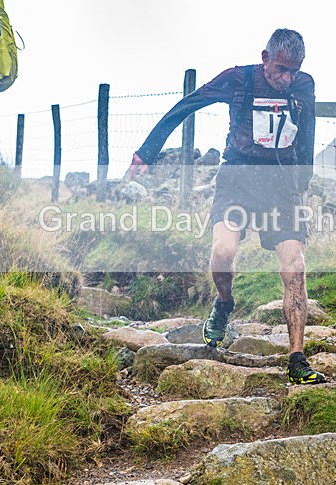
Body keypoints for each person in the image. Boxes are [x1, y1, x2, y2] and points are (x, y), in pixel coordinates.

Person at [128, 29, 325, 384]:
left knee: (295, 267)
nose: (286, 78)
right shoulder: (239, 78)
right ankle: (224, 302)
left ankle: (297, 358)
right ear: (265, 58)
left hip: (281, 187)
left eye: (293, 71)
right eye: (281, 69)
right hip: (237, 180)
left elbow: (308, 132)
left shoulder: (303, 85)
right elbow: (188, 104)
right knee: (222, 252)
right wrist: (148, 150)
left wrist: (303, 181)